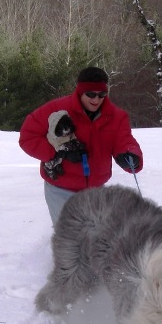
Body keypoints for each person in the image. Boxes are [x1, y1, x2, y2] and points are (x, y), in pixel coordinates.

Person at [19, 66, 143, 225]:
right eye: (91, 94)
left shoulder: (116, 116)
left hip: (95, 190)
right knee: (71, 237)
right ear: (80, 91)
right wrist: (58, 153)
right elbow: (28, 136)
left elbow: (124, 140)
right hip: (60, 189)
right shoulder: (57, 110)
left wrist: (130, 155)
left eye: (101, 95)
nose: (96, 100)